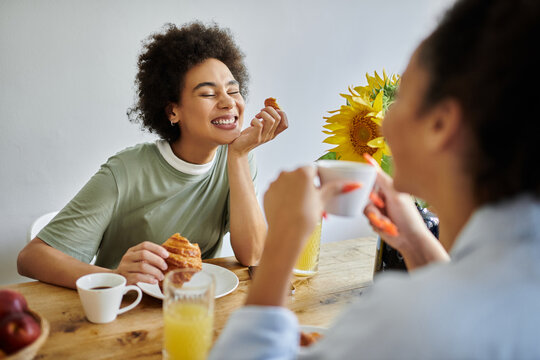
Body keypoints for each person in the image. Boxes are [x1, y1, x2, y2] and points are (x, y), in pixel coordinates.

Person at [209, 0, 540, 358]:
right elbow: (472, 305)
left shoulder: (410, 318)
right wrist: (414, 242)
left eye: (399, 100)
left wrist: (283, 241)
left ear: (440, 125)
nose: (382, 123)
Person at [17, 22, 288, 289]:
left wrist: (239, 156)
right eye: (208, 93)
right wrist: (115, 278)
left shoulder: (236, 159)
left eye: (233, 90)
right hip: (127, 311)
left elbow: (253, 255)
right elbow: (32, 258)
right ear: (173, 112)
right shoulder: (125, 171)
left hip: (193, 307)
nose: (229, 102)